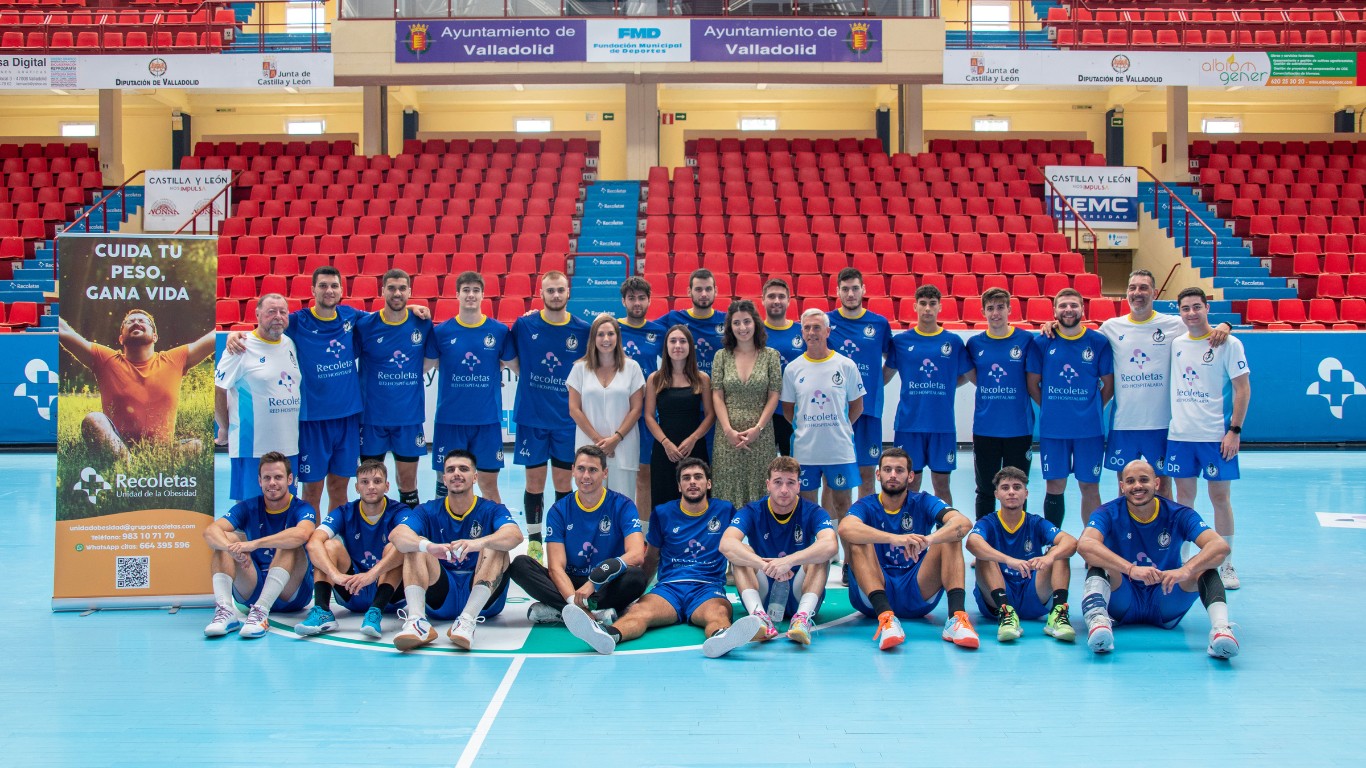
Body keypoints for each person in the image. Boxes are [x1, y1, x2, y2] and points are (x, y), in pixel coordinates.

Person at [221, 266, 431, 513]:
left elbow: (387, 315)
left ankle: (333, 542)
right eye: (323, 286)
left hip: (347, 419)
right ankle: (312, 545)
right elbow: (267, 327)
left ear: (342, 290)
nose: (329, 290)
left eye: (333, 286)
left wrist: (412, 308)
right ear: (313, 290)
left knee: (339, 489)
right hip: (312, 422)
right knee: (312, 492)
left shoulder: (351, 316)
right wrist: (236, 335)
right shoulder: (298, 321)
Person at [1039, 270, 1233, 500]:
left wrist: (1226, 325)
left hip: (1160, 423)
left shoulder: (1173, 325)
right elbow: (1076, 334)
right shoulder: (1111, 328)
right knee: (1125, 488)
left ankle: (1163, 534)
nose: (1137, 293)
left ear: (1154, 292)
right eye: (1133, 288)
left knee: (1162, 488)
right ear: (1127, 293)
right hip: (1124, 423)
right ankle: (1126, 534)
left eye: (1143, 288)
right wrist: (1053, 324)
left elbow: (1201, 326)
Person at [558, 458, 766, 657]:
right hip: (669, 588)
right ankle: (607, 636)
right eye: (686, 478)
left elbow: (735, 551)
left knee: (718, 614)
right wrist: (637, 592)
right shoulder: (662, 513)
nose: (692, 481)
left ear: (708, 483)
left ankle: (721, 639)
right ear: (679, 486)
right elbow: (651, 559)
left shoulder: (725, 510)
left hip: (707, 587)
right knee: (639, 611)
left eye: (698, 477)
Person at [1076, 460, 1240, 659]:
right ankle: (1099, 623)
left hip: (1166, 595)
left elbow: (1219, 547)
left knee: (1206, 567)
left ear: (1157, 483)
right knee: (1098, 562)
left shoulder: (1179, 514)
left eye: (1144, 480)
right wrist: (1130, 569)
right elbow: (1085, 545)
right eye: (1130, 481)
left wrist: (1185, 570)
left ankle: (1221, 630)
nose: (1137, 486)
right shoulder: (1107, 512)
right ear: (1122, 486)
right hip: (1121, 598)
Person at [840, 448, 979, 651]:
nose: (893, 475)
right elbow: (845, 528)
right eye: (887, 470)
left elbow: (963, 523)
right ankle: (887, 619)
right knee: (857, 539)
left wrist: (929, 539)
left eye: (899, 470)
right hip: (875, 592)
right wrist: (895, 539)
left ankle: (957, 618)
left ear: (911, 476)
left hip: (917, 588)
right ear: (878, 474)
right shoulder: (866, 504)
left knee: (950, 536)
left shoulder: (922, 501)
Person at [387, 449, 523, 651]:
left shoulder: (492, 509)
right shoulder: (428, 509)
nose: (456, 473)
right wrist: (429, 546)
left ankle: (467, 621)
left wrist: (477, 543)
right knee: (416, 544)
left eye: (463, 469)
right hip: (443, 592)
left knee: (494, 545)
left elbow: (515, 535)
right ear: (444, 478)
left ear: (475, 477)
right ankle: (417, 622)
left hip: (483, 597)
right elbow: (396, 536)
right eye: (450, 470)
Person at [510, 445, 648, 631]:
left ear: (605, 473)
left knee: (636, 577)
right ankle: (589, 612)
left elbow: (637, 554)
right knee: (520, 565)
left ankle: (560, 610)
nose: (586, 476)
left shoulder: (622, 505)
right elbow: (556, 567)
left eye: (593, 470)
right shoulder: (559, 510)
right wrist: (572, 599)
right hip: (570, 581)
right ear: (573, 470)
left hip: (605, 583)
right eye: (581, 469)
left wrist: (594, 582)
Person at [504, 271, 591, 563]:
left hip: (567, 420)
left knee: (565, 485)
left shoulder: (583, 329)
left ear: (569, 294)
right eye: (550, 291)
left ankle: (559, 536)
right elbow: (508, 356)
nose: (555, 295)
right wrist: (526, 375)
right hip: (532, 417)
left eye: (560, 290)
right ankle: (534, 541)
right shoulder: (525, 324)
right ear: (541, 294)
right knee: (534, 484)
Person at [1167, 287, 1251, 589]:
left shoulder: (1229, 344)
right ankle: (1183, 560)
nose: (1191, 313)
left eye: (1197, 307)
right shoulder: (1176, 342)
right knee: (1184, 500)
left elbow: (1243, 389)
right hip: (1180, 436)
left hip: (1216, 437)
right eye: (1185, 308)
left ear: (1206, 308)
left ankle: (1226, 564)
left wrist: (1234, 430)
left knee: (1219, 499)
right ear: (1179, 311)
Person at [58, 309, 214, 459]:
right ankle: (125, 460)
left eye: (143, 321)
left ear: (155, 337)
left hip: (161, 452)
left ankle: (140, 463)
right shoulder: (105, 359)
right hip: (117, 444)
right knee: (93, 419)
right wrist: (45, 305)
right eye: (129, 322)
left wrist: (233, 331)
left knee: (195, 446)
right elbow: (65, 332)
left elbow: (214, 338)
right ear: (121, 338)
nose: (136, 323)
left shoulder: (174, 359)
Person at [782, 308, 865, 584]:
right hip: (805, 452)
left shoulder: (846, 366)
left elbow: (857, 406)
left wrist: (837, 426)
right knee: (808, 509)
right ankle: (812, 564)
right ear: (801, 332)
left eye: (817, 327)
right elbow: (788, 411)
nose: (812, 333)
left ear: (828, 332)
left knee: (844, 506)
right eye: (807, 328)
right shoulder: (793, 369)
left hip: (839, 450)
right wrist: (811, 428)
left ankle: (850, 564)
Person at [720, 456, 838, 646]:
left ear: (799, 486)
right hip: (764, 590)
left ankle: (802, 618)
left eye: (790, 483)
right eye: (778, 482)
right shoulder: (753, 510)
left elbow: (831, 545)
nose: (784, 489)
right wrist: (766, 565)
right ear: (768, 484)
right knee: (741, 551)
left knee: (819, 554)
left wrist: (788, 561)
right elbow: (726, 544)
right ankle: (759, 618)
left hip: (800, 590)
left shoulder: (813, 511)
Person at [1025, 288, 1114, 530]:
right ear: (1054, 311)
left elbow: (1109, 384)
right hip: (1054, 430)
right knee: (1054, 487)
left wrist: (1091, 407)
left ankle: (1093, 545)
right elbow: (1033, 385)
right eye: (1063, 305)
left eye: (1074, 305)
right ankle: (1053, 545)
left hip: (1090, 430)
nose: (1068, 310)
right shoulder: (1042, 341)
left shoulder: (1098, 342)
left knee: (1090, 487)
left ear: (1083, 309)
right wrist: (1053, 407)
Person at [202, 452, 316, 639]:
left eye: (278, 477)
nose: (272, 483)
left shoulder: (301, 508)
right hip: (253, 585)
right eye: (267, 478)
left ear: (289, 479)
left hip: (291, 593)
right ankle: (225, 611)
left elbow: (302, 533)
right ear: (259, 481)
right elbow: (210, 532)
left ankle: (262, 612)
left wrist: (254, 544)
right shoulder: (248, 507)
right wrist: (232, 549)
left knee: (290, 542)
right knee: (226, 539)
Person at [295, 459, 407, 639]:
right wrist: (335, 575)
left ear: (386, 486)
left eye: (377, 481)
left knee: (398, 544)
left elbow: (409, 542)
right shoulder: (344, 512)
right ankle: (322, 611)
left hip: (390, 597)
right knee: (328, 545)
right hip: (351, 588)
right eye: (365, 482)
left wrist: (372, 574)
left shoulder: (399, 511)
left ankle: (376, 611)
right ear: (356, 487)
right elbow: (313, 543)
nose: (371, 486)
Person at [966, 466, 1077, 644]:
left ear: (1025, 493)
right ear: (996, 494)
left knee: (1059, 551)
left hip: (1033, 594)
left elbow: (1070, 542)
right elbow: (972, 543)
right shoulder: (989, 522)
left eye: (1017, 487)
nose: (1011, 492)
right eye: (1005, 488)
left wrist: (1049, 557)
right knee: (984, 553)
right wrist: (1008, 560)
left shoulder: (1036, 522)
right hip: (996, 598)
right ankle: (1006, 613)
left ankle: (1058, 614)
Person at [353, 269, 436, 508]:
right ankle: (371, 531)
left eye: (402, 288)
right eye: (391, 288)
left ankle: (410, 535)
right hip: (371, 419)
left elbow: (436, 359)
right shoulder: (365, 325)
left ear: (410, 292)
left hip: (408, 419)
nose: (397, 293)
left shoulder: (422, 323)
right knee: (370, 484)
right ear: (382, 291)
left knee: (408, 484)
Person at [883, 285, 972, 505]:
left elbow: (967, 376)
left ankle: (945, 538)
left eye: (932, 303)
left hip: (942, 425)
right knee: (910, 485)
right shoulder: (902, 342)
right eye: (923, 303)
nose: (927, 308)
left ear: (940, 307)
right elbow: (883, 378)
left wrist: (947, 385)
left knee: (942, 485)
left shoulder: (953, 342)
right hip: (909, 425)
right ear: (915, 306)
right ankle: (908, 532)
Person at [428, 271, 510, 504]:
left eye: (475, 290)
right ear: (457, 294)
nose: (471, 295)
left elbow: (518, 366)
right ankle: (442, 533)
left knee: (489, 487)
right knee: (445, 486)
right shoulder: (441, 332)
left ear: (483, 295)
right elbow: (424, 366)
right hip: (449, 420)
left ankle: (493, 538)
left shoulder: (499, 331)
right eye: (466, 290)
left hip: (487, 421)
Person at [214, 294, 303, 502]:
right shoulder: (239, 347)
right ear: (257, 314)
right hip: (251, 447)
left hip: (289, 446)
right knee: (248, 512)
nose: (278, 316)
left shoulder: (290, 344)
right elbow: (219, 389)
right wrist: (224, 427)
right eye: (271, 311)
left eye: (283, 311)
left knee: (285, 509)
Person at [965, 288, 1035, 520]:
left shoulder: (1026, 340)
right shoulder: (975, 343)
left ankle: (1017, 541)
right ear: (983, 312)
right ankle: (982, 544)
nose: (996, 313)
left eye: (1000, 307)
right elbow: (976, 377)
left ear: (1009, 309)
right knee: (985, 490)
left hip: (1019, 428)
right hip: (986, 429)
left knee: (1017, 490)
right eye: (991, 308)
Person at [826, 268, 893, 503]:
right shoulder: (827, 322)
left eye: (855, 288)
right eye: (845, 289)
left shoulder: (879, 323)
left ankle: (864, 529)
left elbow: (891, 359)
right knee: (832, 478)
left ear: (863, 290)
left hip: (868, 411)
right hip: (833, 411)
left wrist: (874, 384)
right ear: (837, 292)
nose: (851, 293)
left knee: (867, 475)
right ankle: (831, 533)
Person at [711, 299, 783, 507]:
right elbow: (717, 395)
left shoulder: (771, 356)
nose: (742, 328)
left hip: (761, 435)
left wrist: (758, 429)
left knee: (760, 486)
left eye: (747, 321)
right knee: (727, 489)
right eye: (736, 323)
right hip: (727, 436)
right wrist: (728, 431)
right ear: (730, 327)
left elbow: (774, 395)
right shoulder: (721, 357)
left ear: (756, 323)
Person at [566, 313, 646, 497]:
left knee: (622, 502)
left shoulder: (632, 368)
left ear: (618, 337)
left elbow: (636, 409)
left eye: (610, 334)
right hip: (588, 446)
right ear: (593, 338)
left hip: (623, 447)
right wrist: (598, 443)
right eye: (600, 334)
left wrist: (615, 439)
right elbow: (574, 409)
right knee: (589, 501)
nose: (606, 339)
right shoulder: (580, 369)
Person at [643, 325, 713, 510]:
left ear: (690, 346)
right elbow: (649, 416)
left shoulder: (702, 378)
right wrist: (666, 443)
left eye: (683, 341)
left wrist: (693, 439)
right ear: (666, 347)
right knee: (663, 500)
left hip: (694, 448)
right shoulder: (655, 379)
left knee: (697, 500)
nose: (678, 345)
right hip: (664, 450)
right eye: (673, 341)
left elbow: (710, 415)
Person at [617, 276, 668, 517]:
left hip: (648, 413)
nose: (636, 302)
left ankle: (644, 535)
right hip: (617, 411)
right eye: (631, 298)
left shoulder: (659, 331)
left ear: (649, 300)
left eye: (641, 298)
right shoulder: (611, 329)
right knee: (613, 474)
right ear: (623, 301)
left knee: (643, 476)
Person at [761, 278, 805, 457]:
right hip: (763, 413)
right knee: (764, 470)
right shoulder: (753, 332)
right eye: (771, 296)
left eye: (781, 296)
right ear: (763, 300)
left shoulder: (802, 331)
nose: (776, 301)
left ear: (788, 300)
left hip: (794, 411)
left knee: (793, 468)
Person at [661, 268, 726, 376]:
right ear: (689, 292)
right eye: (698, 289)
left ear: (716, 291)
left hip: (717, 389)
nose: (704, 294)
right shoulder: (674, 318)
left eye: (708, 289)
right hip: (687, 389)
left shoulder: (727, 320)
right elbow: (644, 330)